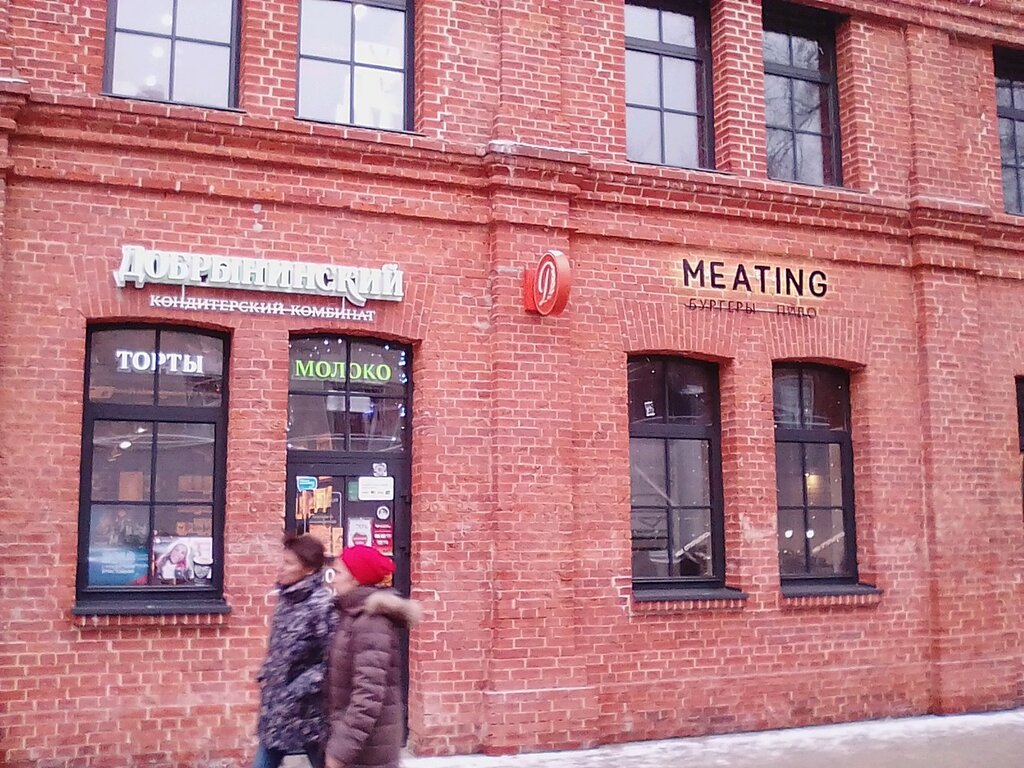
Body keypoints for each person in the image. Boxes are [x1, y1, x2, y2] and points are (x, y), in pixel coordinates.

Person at [324, 545, 420, 768]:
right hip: (358, 745)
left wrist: (341, 750)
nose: (332, 579)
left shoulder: (371, 624)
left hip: (368, 751)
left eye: (338, 572)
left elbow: (368, 695)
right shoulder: (351, 615)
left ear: (356, 579)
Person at [254, 534, 337, 768]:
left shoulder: (321, 605)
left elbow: (333, 661)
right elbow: (282, 648)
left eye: (289, 563)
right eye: (283, 560)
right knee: (267, 754)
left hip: (308, 711)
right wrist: (268, 671)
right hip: (277, 704)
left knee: (322, 761)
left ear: (309, 570)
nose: (281, 567)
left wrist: (298, 687)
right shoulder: (286, 599)